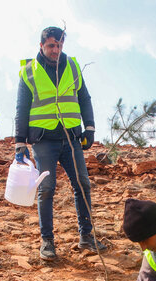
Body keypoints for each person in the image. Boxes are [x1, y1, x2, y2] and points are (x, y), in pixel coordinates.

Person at [13, 26, 105, 260]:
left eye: (60, 45)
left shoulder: (73, 66)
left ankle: (86, 237)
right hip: (43, 141)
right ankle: (47, 242)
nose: (56, 50)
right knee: (46, 189)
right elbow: (22, 109)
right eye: (51, 45)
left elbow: (84, 97)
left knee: (82, 185)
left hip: (71, 138)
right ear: (41, 45)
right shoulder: (28, 72)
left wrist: (90, 127)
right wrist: (19, 143)